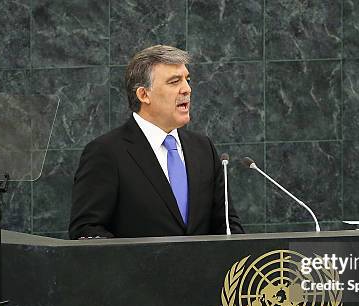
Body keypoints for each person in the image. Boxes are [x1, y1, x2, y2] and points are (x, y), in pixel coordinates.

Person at [68, 45, 244, 239]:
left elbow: (227, 225)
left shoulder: (203, 149)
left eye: (187, 79)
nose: (187, 89)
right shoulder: (106, 152)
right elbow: (87, 229)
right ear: (144, 94)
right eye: (174, 81)